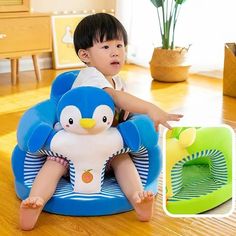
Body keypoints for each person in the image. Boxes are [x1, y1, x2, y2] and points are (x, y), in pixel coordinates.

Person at [19, 13, 183, 230]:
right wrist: (150, 108)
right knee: (53, 165)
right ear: (85, 55)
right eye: (106, 47)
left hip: (106, 151)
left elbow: (123, 110)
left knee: (123, 160)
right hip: (70, 149)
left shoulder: (118, 81)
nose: (116, 51)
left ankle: (138, 198)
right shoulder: (91, 76)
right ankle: (36, 201)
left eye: (120, 45)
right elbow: (116, 99)